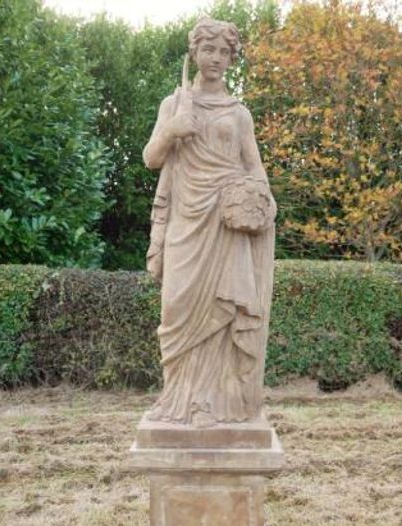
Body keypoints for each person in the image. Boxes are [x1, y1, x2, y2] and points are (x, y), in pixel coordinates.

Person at [142, 17, 276, 427]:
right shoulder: (175, 104)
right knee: (177, 310)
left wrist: (259, 206)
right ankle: (176, 400)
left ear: (232, 58)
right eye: (208, 50)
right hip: (185, 223)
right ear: (194, 53)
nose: (216, 58)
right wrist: (171, 132)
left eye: (224, 52)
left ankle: (212, 403)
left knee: (223, 312)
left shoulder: (240, 114)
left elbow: (256, 173)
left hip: (226, 226)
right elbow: (151, 158)